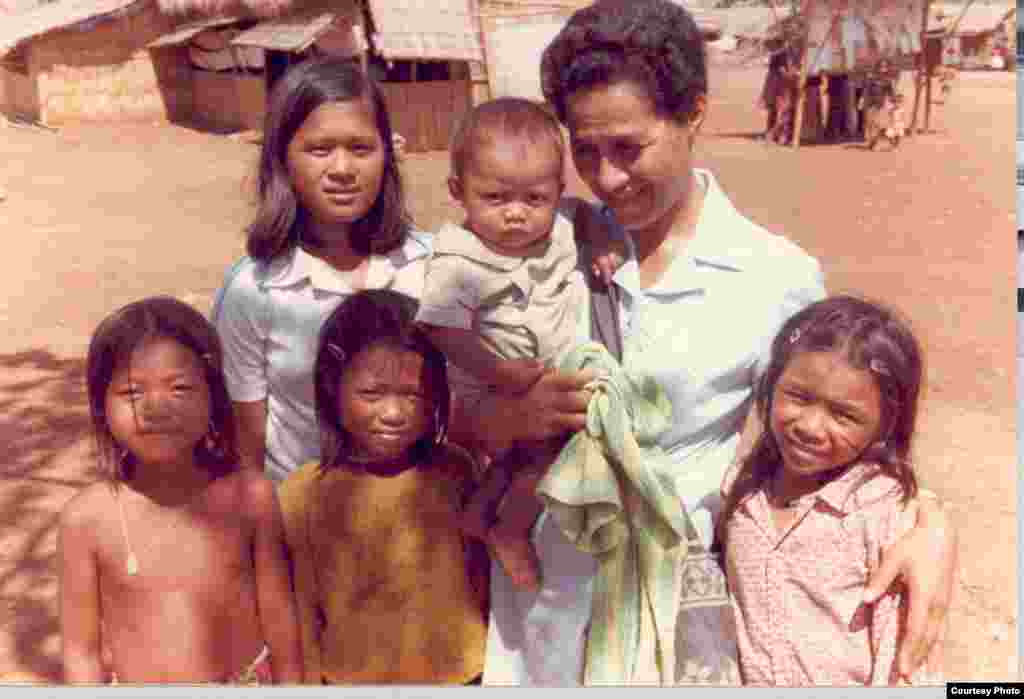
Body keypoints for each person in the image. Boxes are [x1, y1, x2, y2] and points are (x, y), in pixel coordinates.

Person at [450, 0, 956, 686]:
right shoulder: (535, 241)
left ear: (693, 113)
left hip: (671, 606)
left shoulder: (771, 277)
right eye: (585, 151)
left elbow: (835, 439)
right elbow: (447, 415)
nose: (606, 177)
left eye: (629, 147)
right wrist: (516, 417)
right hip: (541, 593)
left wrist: (930, 522)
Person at [416, 96, 620, 591]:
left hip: (537, 375)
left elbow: (586, 215)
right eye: (495, 198)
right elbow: (441, 329)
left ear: (557, 191)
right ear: (457, 191)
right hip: (492, 383)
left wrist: (602, 243)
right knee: (555, 446)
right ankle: (511, 527)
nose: (515, 214)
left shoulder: (562, 226)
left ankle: (481, 509)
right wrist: (496, 372)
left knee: (530, 449)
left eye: (534, 199)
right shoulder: (457, 259)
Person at [59, 297, 303, 684]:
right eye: (132, 393)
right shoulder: (86, 520)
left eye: (180, 387)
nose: (156, 407)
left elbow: (281, 623)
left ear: (214, 397)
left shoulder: (250, 497)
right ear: (101, 406)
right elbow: (80, 653)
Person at [212, 57, 430, 483]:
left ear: (387, 155)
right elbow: (245, 451)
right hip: (299, 511)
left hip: (422, 508)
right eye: (319, 149)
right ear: (282, 159)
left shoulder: (431, 266)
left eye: (361, 148)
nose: (343, 169)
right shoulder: (253, 289)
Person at [277, 289, 489, 684]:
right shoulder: (301, 494)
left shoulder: (456, 471)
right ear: (332, 387)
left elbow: (481, 582)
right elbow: (302, 611)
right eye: (371, 393)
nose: (393, 413)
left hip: (463, 678)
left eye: (413, 394)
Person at [719, 296, 932, 685]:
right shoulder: (741, 495)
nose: (810, 427)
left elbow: (903, 663)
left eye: (844, 415)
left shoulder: (883, 514)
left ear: (885, 424)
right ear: (771, 384)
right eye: (798, 397)